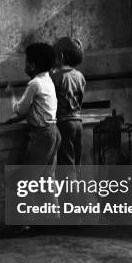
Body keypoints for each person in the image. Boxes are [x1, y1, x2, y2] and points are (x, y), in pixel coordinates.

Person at [6, 43, 61, 166]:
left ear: (32, 66)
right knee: (48, 177)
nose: (25, 66)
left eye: (26, 62)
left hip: (42, 135)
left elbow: (21, 109)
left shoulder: (34, 83)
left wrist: (11, 95)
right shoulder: (48, 80)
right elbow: (36, 109)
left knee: (31, 176)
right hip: (54, 131)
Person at [51, 36, 86, 175]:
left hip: (64, 123)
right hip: (78, 121)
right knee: (76, 163)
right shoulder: (80, 76)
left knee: (66, 164)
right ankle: (77, 190)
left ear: (60, 56)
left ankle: (71, 195)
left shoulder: (58, 77)